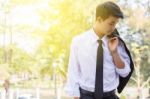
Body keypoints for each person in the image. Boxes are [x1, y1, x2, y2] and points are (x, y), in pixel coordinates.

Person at [65, 1, 134, 99]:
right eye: (111, 23)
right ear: (99, 19)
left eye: (116, 23)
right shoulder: (78, 41)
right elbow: (73, 71)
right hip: (85, 95)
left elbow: (125, 72)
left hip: (110, 96)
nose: (114, 27)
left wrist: (114, 53)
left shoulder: (117, 42)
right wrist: (75, 96)